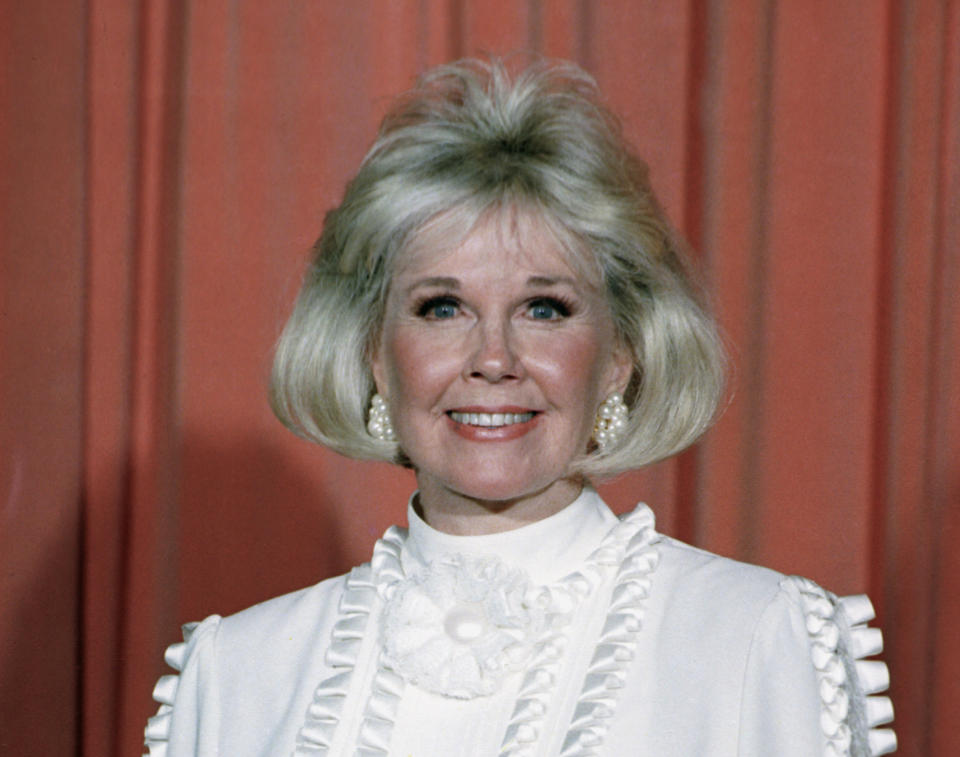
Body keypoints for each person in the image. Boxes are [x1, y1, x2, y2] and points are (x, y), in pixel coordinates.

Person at [144, 58, 896, 756]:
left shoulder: (759, 638)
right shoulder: (236, 674)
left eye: (544, 308)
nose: (494, 358)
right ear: (374, 352)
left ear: (620, 356)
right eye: (442, 308)